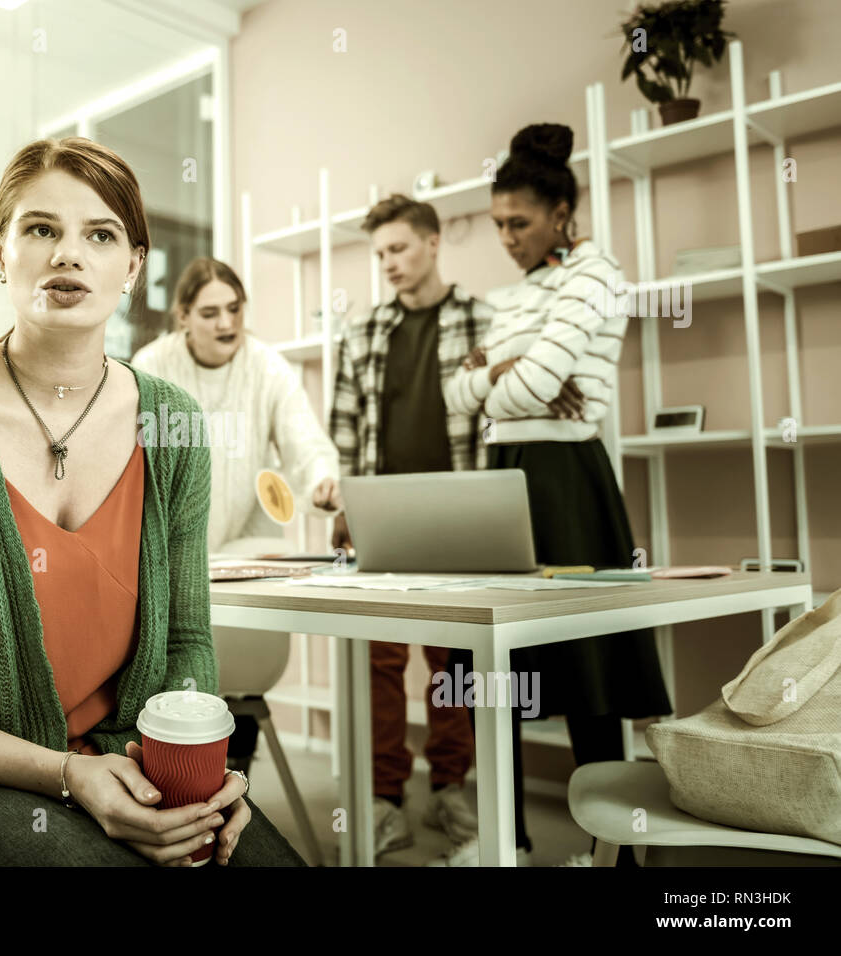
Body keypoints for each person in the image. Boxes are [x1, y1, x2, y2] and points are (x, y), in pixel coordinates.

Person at [0, 137, 306, 866]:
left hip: (122, 765)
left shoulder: (171, 426)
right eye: (41, 229)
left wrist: (192, 781)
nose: (68, 255)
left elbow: (186, 645)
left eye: (101, 235)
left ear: (134, 267)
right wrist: (68, 777)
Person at [440, 122, 672, 867]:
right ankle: (506, 841)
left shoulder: (596, 273)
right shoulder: (518, 294)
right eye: (499, 224)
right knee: (498, 670)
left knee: (589, 672)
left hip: (568, 482)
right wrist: (511, 369)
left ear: (561, 215)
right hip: (503, 473)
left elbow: (511, 386)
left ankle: (616, 854)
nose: (506, 238)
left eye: (520, 223)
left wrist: (498, 375)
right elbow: (460, 391)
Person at [131, 257, 342, 777]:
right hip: (170, 543)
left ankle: (235, 771)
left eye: (234, 309)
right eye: (210, 313)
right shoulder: (152, 364)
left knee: (240, 671)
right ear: (183, 317)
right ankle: (173, 767)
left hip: (244, 546)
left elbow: (304, 440)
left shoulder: (267, 366)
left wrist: (321, 482)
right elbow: (128, 459)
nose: (227, 323)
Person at [328, 195, 492, 857]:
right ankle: (384, 795)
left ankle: (451, 786)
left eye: (398, 248)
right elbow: (344, 430)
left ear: (432, 242)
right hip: (384, 514)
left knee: (453, 659)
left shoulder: (483, 320)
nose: (388, 263)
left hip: (461, 506)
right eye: (379, 254)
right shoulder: (364, 333)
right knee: (381, 660)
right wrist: (345, 504)